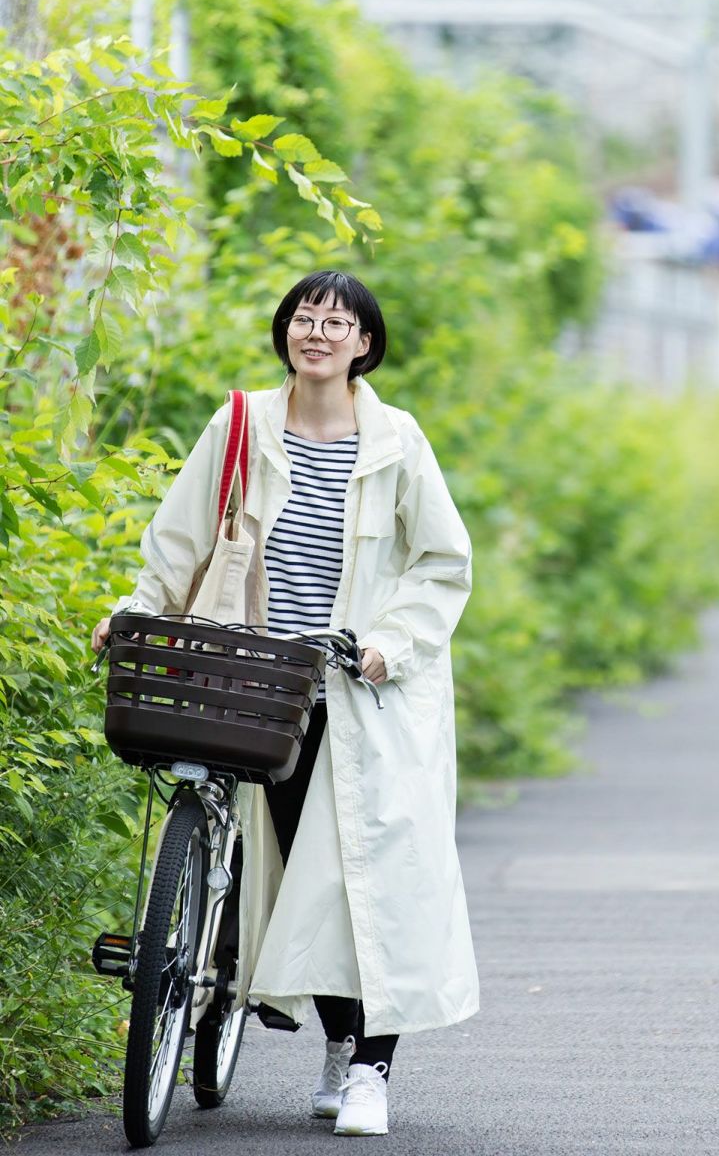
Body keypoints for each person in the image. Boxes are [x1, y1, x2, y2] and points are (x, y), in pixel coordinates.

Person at [90, 270, 476, 1138]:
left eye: (339, 321)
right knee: (310, 879)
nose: (319, 331)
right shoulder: (241, 426)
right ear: (287, 331)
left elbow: (443, 564)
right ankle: (341, 1045)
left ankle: (370, 1068)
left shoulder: (399, 443)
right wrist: (135, 611)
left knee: (368, 879)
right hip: (258, 690)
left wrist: (391, 644)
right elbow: (179, 540)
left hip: (361, 688)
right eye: (307, 315)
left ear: (364, 345)